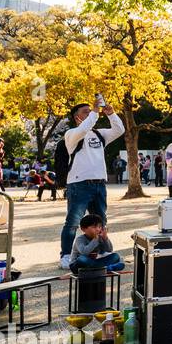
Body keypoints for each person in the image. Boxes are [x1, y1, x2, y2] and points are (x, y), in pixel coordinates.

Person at [59, 99, 125, 269]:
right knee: (73, 221)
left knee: (101, 221)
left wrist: (111, 114)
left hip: (99, 183)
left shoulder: (99, 134)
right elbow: (83, 128)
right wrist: (95, 113)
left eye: (91, 111)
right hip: (79, 183)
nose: (90, 113)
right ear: (76, 117)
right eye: (85, 112)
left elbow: (119, 130)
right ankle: (66, 255)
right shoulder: (72, 134)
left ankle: (102, 250)